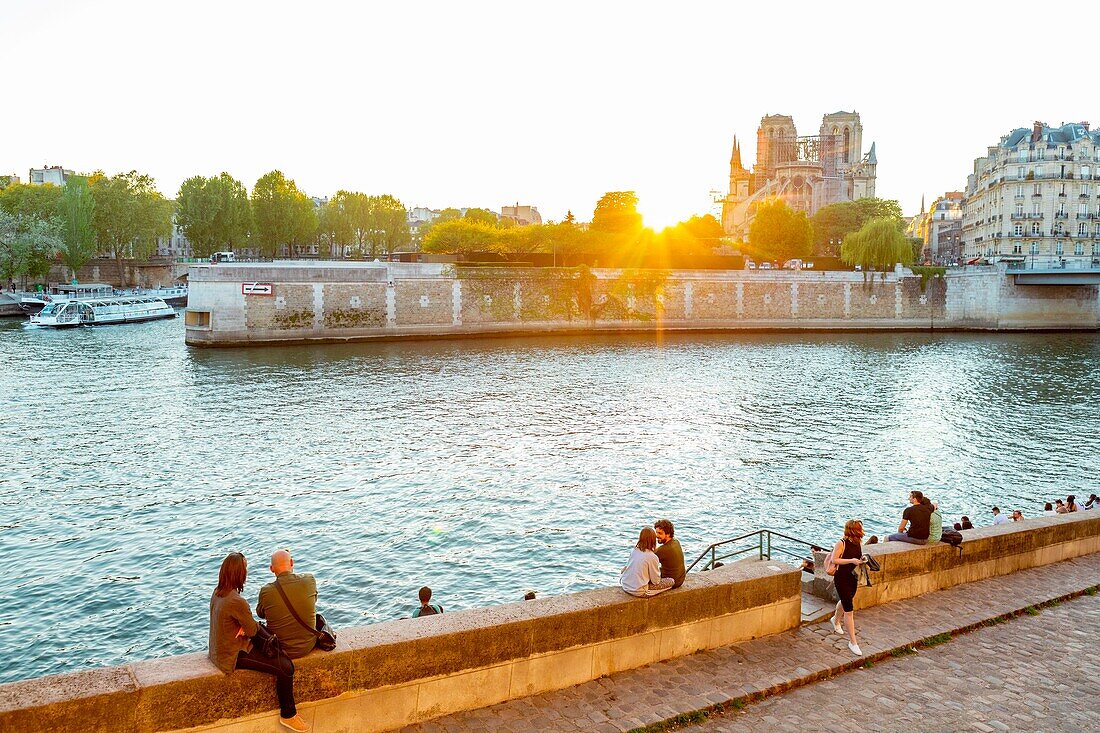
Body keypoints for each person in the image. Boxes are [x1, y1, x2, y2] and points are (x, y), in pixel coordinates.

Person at [208, 552, 308, 732]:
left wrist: (243, 627)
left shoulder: (218, 593)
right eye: (245, 569)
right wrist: (247, 628)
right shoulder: (236, 601)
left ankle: (289, 715)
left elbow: (237, 624)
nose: (246, 573)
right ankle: (288, 715)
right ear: (239, 574)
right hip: (232, 655)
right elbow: (254, 630)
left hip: (218, 649)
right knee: (286, 667)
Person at [256, 549, 318, 660]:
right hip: (308, 646)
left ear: (271, 569)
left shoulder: (266, 591)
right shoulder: (309, 580)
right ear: (292, 563)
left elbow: (261, 614)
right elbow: (314, 600)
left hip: (281, 649)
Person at [829, 519, 867, 657]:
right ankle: (853, 642)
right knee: (849, 609)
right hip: (842, 578)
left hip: (853, 577)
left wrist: (861, 558)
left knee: (847, 600)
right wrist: (851, 560)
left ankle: (835, 619)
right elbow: (835, 560)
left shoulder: (857, 542)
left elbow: (856, 556)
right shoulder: (841, 543)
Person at [620, 527, 675, 598]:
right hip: (639, 591)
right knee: (671, 581)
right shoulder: (652, 557)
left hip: (625, 585)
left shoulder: (634, 551)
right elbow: (656, 581)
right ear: (653, 540)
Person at [653, 519, 686, 589]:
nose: (656, 535)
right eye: (656, 532)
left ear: (668, 534)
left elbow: (647, 559)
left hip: (673, 582)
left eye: (660, 533)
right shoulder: (676, 541)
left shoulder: (663, 549)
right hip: (681, 579)